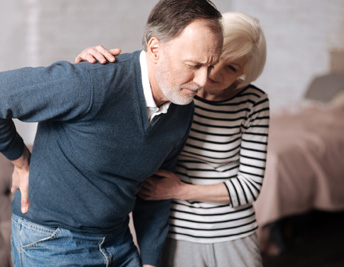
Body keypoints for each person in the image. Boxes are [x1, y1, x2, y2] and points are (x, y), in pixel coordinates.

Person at [0, 0, 224, 266]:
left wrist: (151, 260)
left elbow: (155, 189)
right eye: (194, 65)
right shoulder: (91, 82)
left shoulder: (182, 104)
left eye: (210, 66)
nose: (202, 81)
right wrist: (20, 161)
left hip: (118, 242)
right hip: (52, 243)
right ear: (155, 49)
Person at [75, 11, 269, 267]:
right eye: (215, 60)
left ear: (246, 72)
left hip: (232, 234)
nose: (214, 73)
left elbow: (250, 186)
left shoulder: (253, 102)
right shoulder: (177, 91)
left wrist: (180, 190)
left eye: (232, 67)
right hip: (175, 231)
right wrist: (87, 68)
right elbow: (132, 84)